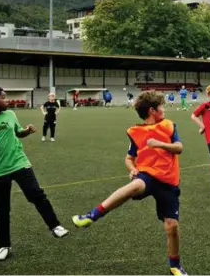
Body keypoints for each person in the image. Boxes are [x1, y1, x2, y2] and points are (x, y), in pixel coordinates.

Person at [72, 90, 187, 275]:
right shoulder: (136, 133)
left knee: (172, 226)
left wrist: (160, 144)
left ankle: (175, 265)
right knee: (136, 185)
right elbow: (128, 158)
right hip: (147, 176)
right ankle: (92, 215)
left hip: (169, 181)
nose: (163, 109)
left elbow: (179, 147)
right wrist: (132, 169)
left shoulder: (169, 126)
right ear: (152, 110)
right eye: (161, 107)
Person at [0, 87, 69, 261]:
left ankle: (55, 226)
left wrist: (26, 131)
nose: (7, 100)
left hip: (19, 163)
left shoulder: (10, 114)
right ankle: (3, 245)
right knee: (1, 210)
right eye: (3, 97)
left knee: (37, 195)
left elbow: (18, 132)